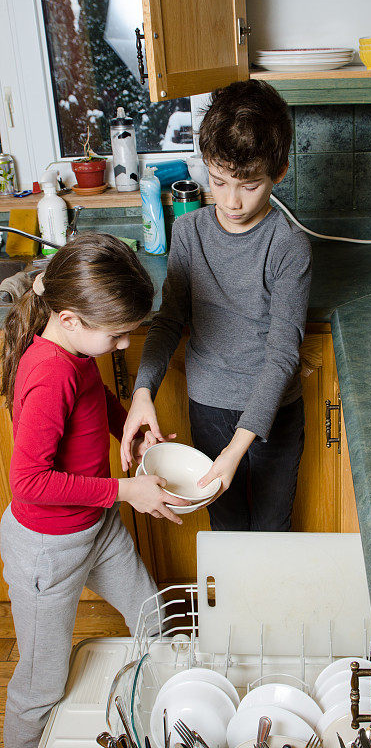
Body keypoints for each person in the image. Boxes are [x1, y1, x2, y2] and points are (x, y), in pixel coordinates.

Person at [0, 233, 187, 748]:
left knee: (153, 618)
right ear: (70, 320)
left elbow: (95, 397)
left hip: (94, 526)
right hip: (47, 551)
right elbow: (30, 483)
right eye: (118, 336)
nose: (125, 345)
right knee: (40, 687)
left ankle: (177, 708)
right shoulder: (48, 374)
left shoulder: (75, 351)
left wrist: (131, 425)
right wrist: (126, 490)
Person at [121, 79, 312, 531]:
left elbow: (283, 351)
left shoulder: (289, 246)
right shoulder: (189, 234)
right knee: (226, 530)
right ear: (204, 164)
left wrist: (236, 449)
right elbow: (169, 321)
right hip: (207, 408)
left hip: (272, 416)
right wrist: (143, 389)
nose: (230, 201)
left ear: (279, 172)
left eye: (248, 185)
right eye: (219, 180)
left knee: (271, 530)